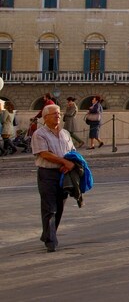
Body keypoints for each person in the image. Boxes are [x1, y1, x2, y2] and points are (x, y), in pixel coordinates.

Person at [32, 103, 76, 252]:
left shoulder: (65, 133)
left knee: (60, 206)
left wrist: (69, 163)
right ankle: (51, 241)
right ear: (45, 118)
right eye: (54, 114)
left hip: (64, 174)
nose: (58, 116)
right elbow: (44, 153)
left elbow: (72, 151)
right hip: (47, 174)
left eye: (59, 113)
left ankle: (48, 234)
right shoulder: (40, 134)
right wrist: (64, 161)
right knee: (50, 208)